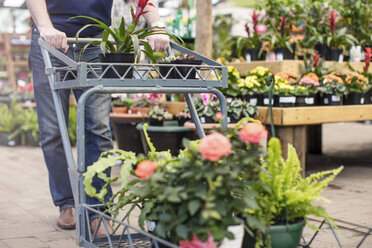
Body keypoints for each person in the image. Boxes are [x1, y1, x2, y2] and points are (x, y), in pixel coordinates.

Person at [26, 0, 169, 235]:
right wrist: (45, 27)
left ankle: (98, 211)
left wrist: (157, 25)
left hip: (95, 44)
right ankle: (67, 203)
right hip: (48, 40)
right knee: (53, 131)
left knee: (98, 128)